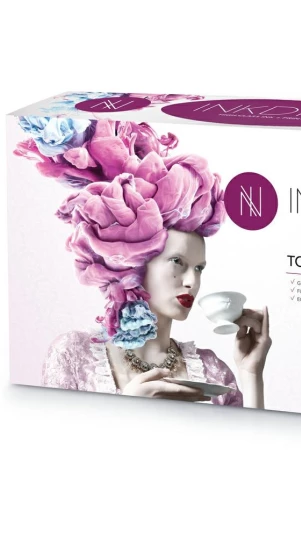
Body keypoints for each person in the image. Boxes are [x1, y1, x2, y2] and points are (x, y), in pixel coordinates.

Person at [15, 116, 271, 408]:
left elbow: (248, 438)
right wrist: (128, 407)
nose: (192, 281)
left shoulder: (213, 371)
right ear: (135, 265)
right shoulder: (74, 354)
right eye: (178, 262)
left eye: (199, 268)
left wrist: (251, 373)